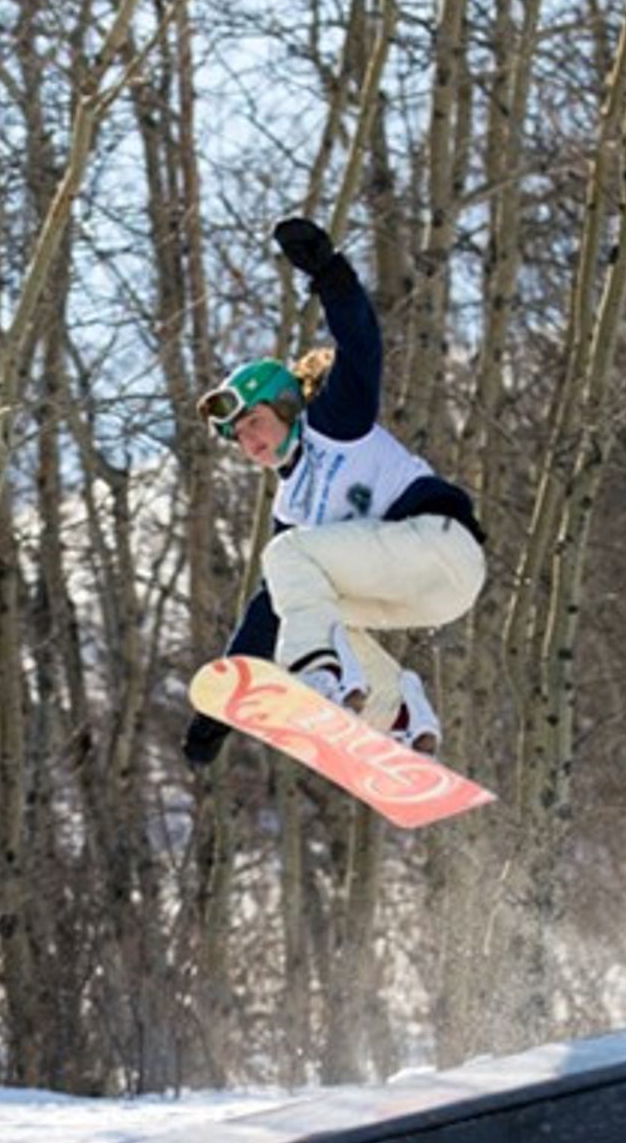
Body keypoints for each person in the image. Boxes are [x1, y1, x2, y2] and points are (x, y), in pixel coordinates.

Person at [182, 216, 487, 769]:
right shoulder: (291, 508)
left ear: (286, 405)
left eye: (254, 423)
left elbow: (360, 341)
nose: (249, 441)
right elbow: (270, 611)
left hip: (441, 544)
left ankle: (317, 674)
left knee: (290, 564)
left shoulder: (333, 422)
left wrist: (328, 271)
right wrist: (226, 702)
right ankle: (399, 712)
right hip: (434, 595)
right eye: (238, 437)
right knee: (302, 599)